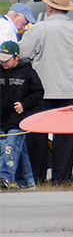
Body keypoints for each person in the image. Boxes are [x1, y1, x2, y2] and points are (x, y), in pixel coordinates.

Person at [20, 0, 73, 185]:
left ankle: (38, 177)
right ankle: (62, 178)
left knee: (37, 135)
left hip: (44, 89)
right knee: (66, 137)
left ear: (49, 8)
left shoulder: (40, 29)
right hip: (70, 89)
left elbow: (24, 54)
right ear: (67, 8)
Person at [0, 40, 44, 190]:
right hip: (1, 118)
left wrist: (24, 104)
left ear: (16, 57)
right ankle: (26, 181)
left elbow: (39, 92)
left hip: (18, 119)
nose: (3, 62)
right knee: (16, 149)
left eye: (6, 60)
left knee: (10, 146)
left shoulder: (28, 72)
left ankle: (4, 177)